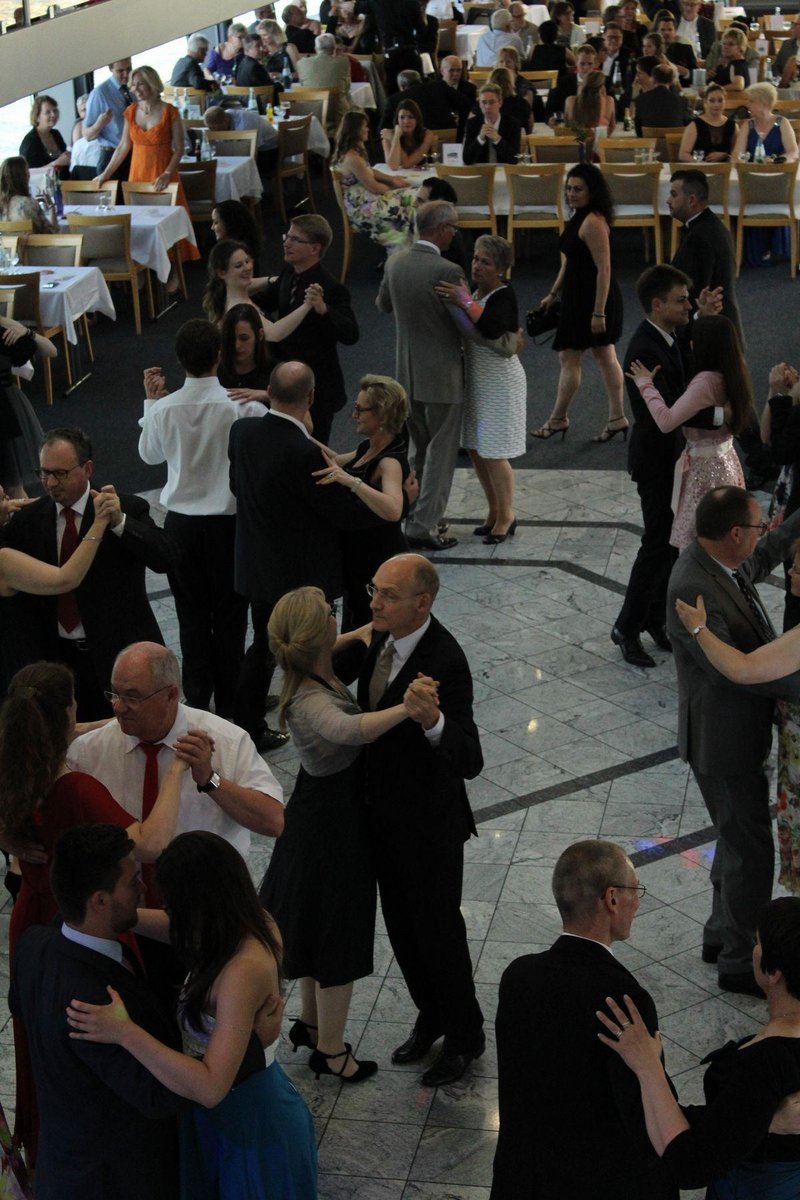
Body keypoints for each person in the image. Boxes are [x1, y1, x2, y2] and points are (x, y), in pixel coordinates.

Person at [1, 659, 187, 1165]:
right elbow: (151, 843)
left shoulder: (11, 758)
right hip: (83, 922)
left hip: (31, 917)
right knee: (93, 1033)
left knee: (40, 1037)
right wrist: (177, 770)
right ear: (65, 712)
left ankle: (41, 1149)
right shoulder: (76, 789)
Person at [66, 829, 318, 1200]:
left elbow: (211, 1087)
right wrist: (115, 916)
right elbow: (174, 929)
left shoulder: (242, 971)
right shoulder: (246, 923)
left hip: (249, 1125)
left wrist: (124, 1032)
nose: (169, 912)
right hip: (224, 1118)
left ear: (199, 906)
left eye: (173, 905)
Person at [341, 553, 485, 1088]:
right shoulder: (380, 635)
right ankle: (432, 1014)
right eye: (373, 590)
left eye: (388, 595)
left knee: (439, 933)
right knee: (402, 930)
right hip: (382, 819)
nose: (374, 603)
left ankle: (466, 1035)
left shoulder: (446, 659)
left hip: (429, 829)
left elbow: (469, 757)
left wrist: (435, 722)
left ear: (422, 604)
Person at [261, 585, 414, 1079]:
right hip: (331, 829)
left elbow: (344, 638)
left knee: (312, 928)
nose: (337, 616)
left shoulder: (307, 665)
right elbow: (352, 730)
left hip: (318, 816)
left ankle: (310, 1024)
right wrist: (408, 708)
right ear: (316, 634)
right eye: (330, 612)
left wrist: (368, 630)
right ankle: (331, 1051)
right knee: (337, 936)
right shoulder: (309, 699)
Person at [666, 485, 800, 995]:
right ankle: (740, 960)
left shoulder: (721, 560)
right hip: (722, 740)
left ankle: (720, 933)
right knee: (750, 850)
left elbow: (764, 555)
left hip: (734, 734)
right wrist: (795, 685)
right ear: (735, 533)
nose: (764, 536)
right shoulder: (692, 586)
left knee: (734, 838)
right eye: (758, 527)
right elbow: (732, 673)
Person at [492, 840, 677, 1200]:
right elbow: (647, 1116)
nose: (637, 902)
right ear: (612, 899)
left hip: (525, 1180)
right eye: (635, 890)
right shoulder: (625, 1001)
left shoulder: (518, 976)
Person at [10, 824, 183, 1200]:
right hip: (110, 1182)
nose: (143, 887)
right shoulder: (95, 1006)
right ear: (100, 901)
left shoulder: (34, 944)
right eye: (132, 881)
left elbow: (19, 1006)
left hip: (64, 1160)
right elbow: (159, 1096)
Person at [228, 361, 387, 749]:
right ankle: (271, 721)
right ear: (312, 397)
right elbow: (343, 515)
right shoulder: (303, 452)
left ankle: (247, 716)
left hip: (256, 562)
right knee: (301, 648)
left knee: (262, 643)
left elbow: (236, 484)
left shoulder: (242, 431)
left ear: (269, 391)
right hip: (298, 574)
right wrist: (390, 503)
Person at [598, 897, 800, 1198]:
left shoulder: (766, 1062)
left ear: (774, 972)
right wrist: (762, 1122)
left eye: (757, 942)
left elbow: (690, 1165)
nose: (753, 949)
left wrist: (648, 1067)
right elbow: (733, 1116)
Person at [0, 427, 180, 721]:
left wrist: (120, 523)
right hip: (55, 659)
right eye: (44, 473)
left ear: (87, 469)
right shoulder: (28, 521)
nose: (50, 483)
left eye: (60, 473)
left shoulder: (125, 507)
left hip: (118, 654)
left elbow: (166, 557)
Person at [138, 320, 264, 717]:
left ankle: (196, 701)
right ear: (219, 356)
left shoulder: (165, 408)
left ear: (180, 360)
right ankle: (231, 705)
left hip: (181, 527)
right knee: (231, 618)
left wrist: (151, 404)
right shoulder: (244, 406)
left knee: (190, 616)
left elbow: (149, 456)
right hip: (229, 527)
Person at [69, 641, 285, 867]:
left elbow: (273, 822)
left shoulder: (226, 741)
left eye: (132, 697)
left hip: (205, 883)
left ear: (171, 695)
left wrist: (210, 780)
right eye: (115, 694)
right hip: (128, 888)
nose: (118, 707)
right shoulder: (89, 751)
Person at [611, 264, 723, 669]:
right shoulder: (644, 350)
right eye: (681, 300)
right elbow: (673, 409)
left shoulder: (668, 336)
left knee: (671, 544)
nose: (688, 306)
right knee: (657, 544)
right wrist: (724, 417)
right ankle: (626, 627)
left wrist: (703, 316)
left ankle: (655, 619)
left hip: (673, 457)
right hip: (656, 461)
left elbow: (687, 362)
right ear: (657, 305)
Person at [376, 200, 466, 551]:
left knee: (418, 449)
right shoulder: (448, 270)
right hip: (442, 375)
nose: (454, 234)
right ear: (441, 229)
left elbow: (383, 305)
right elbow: (465, 323)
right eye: (453, 228)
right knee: (441, 452)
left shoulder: (395, 262)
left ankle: (411, 512)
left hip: (406, 374)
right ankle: (424, 525)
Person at [627, 315, 752, 549]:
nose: (690, 343)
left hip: (705, 472)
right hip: (727, 462)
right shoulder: (736, 369)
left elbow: (666, 421)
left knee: (700, 545)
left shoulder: (706, 381)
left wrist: (645, 385)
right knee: (724, 540)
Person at [435, 235, 526, 545]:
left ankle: (507, 514)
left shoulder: (504, 294)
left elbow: (491, 327)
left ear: (500, 268)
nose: (476, 265)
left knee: (494, 452)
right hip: (477, 380)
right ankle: (494, 509)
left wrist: (464, 301)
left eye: (485, 262)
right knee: (475, 448)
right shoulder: (475, 293)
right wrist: (467, 298)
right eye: (475, 258)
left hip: (500, 382)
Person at [532, 163, 627, 445]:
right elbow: (571, 260)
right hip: (579, 296)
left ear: (592, 192)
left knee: (577, 357)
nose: (571, 194)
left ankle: (559, 418)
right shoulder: (580, 217)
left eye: (578, 189)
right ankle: (617, 417)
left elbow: (604, 269)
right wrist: (553, 293)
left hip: (594, 299)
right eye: (569, 188)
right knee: (601, 356)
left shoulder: (593, 222)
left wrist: (598, 312)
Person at [312, 374, 410, 627]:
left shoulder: (389, 462)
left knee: (368, 625)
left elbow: (393, 509)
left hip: (377, 557)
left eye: (359, 409)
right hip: (359, 556)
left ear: (382, 416)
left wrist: (352, 482)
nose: (354, 415)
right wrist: (298, 432)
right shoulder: (368, 447)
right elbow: (334, 461)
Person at [252, 214, 359, 447]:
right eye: (287, 236)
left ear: (314, 248)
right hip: (283, 378)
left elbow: (351, 334)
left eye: (295, 239)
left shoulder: (331, 288)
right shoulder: (289, 272)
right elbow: (266, 301)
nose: (286, 243)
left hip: (316, 387)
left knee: (313, 450)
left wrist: (324, 309)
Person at [93, 65, 200, 271]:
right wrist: (105, 174)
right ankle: (145, 271)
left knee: (168, 223)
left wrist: (167, 173)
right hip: (137, 175)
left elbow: (179, 148)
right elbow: (123, 147)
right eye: (133, 85)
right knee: (141, 225)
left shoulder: (170, 111)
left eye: (140, 84)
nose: (136, 89)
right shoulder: (130, 112)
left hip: (163, 173)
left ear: (152, 84)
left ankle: (174, 271)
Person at [668, 169, 742, 343]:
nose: (668, 200)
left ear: (691, 200)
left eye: (674, 194)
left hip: (712, 336)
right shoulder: (711, 225)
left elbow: (695, 292)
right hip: (723, 327)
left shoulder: (699, 237)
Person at [332, 110, 418, 254]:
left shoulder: (353, 151)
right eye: (364, 126)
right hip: (362, 208)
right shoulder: (352, 158)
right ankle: (404, 249)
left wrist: (392, 179)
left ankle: (410, 246)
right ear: (356, 130)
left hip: (363, 198)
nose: (367, 129)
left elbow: (370, 171)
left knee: (412, 196)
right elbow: (375, 188)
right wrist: (394, 189)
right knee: (412, 199)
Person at [732, 84, 799, 266]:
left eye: (751, 101)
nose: (748, 105)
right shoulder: (748, 125)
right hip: (752, 180)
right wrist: (741, 161)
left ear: (763, 103)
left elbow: (793, 151)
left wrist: (779, 160)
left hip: (778, 180)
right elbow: (737, 154)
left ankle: (777, 247)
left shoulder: (781, 123)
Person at [202, 239, 313, 340]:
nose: (247, 267)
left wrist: (271, 280)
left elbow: (250, 282)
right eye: (238, 266)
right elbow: (274, 334)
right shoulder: (240, 309)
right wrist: (308, 304)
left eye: (247, 261)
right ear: (222, 273)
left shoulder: (232, 290)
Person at [0, 317, 54, 497]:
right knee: (13, 486)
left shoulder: (6, 331)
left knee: (12, 484)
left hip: (5, 409)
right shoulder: (5, 330)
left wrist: (27, 332)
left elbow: (51, 350)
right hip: (6, 404)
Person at [84, 58, 134, 179]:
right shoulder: (100, 93)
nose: (126, 75)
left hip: (134, 155)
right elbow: (87, 135)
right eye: (120, 71)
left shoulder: (134, 88)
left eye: (129, 69)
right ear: (110, 68)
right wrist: (99, 124)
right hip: (111, 155)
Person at [218, 303, 272, 403]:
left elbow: (294, 405)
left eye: (244, 338)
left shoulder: (275, 373)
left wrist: (266, 396)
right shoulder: (216, 370)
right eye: (231, 338)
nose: (237, 345)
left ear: (260, 335)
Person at [416, 175, 470, 274]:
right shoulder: (422, 227)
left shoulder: (448, 239)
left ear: (436, 205)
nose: (414, 205)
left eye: (420, 201)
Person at [462, 83, 522, 166]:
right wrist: (480, 139)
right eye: (484, 102)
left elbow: (515, 159)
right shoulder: (472, 123)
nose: (487, 107)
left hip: (504, 170)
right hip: (481, 171)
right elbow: (467, 160)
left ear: (500, 102)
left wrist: (497, 139)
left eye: (492, 102)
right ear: (479, 104)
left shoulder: (513, 124)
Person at [678, 83, 736, 162]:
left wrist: (725, 155)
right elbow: (683, 155)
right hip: (699, 167)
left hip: (726, 168)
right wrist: (703, 165)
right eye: (712, 101)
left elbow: (736, 153)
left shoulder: (732, 125)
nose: (716, 104)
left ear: (725, 102)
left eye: (720, 100)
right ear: (705, 102)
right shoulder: (695, 125)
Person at [0, 155, 57, 233]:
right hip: (30, 241)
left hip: (5, 241)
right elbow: (51, 232)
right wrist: (51, 207)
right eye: (27, 171)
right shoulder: (28, 204)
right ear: (23, 176)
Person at [297, 31, 353, 109]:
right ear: (334, 48)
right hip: (337, 110)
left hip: (310, 109)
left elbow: (302, 84)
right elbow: (347, 88)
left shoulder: (302, 63)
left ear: (316, 48)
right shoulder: (343, 62)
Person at [634, 59, 690, 135]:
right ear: (672, 81)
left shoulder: (641, 99)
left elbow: (638, 130)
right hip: (674, 141)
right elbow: (688, 125)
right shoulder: (682, 100)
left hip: (649, 141)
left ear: (653, 79)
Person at [18, 95, 70, 176]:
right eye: (48, 112)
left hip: (63, 181)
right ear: (37, 117)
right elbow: (29, 173)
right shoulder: (30, 142)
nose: (53, 115)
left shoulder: (56, 134)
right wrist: (55, 163)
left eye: (55, 111)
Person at [565, 69, 616, 148]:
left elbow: (567, 126)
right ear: (602, 87)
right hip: (600, 147)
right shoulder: (609, 101)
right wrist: (602, 138)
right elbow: (612, 126)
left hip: (575, 147)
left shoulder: (570, 100)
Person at [381, 98, 435, 168]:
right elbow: (393, 166)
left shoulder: (427, 134)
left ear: (417, 119)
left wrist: (393, 139)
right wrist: (396, 137)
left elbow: (407, 164)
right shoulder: (388, 135)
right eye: (402, 117)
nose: (406, 121)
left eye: (411, 117)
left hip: (424, 173)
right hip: (399, 174)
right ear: (397, 120)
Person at [653, 11, 696, 87]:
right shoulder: (652, 50)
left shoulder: (686, 49)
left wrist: (686, 73)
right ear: (657, 32)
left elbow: (696, 74)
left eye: (670, 30)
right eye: (663, 30)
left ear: (675, 32)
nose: (666, 33)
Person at [488, 66, 534, 133]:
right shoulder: (522, 103)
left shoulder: (482, 104)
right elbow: (529, 128)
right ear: (510, 83)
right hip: (516, 138)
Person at [706, 27, 748, 92]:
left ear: (740, 47)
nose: (725, 47)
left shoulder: (738, 64)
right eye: (724, 43)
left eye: (731, 44)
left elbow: (738, 85)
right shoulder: (726, 63)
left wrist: (716, 89)